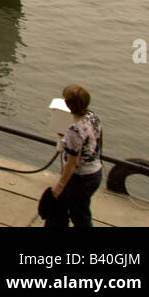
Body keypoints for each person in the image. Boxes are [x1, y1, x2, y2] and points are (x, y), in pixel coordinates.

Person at [45, 85, 102, 227]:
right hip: (95, 172)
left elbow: (72, 163)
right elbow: (90, 140)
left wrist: (60, 186)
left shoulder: (74, 130)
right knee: (68, 208)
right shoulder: (92, 117)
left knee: (79, 215)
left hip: (80, 178)